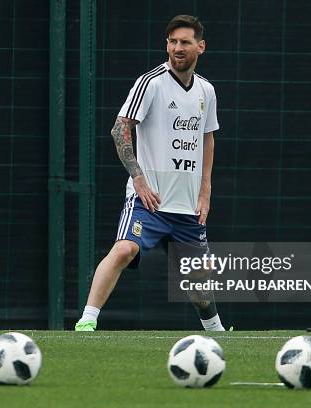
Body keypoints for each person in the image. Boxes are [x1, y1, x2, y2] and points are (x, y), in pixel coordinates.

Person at [75, 15, 224, 332]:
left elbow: (207, 137)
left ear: (201, 46)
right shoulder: (152, 82)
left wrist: (205, 190)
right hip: (149, 201)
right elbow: (120, 129)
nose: (177, 48)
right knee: (125, 249)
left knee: (199, 283)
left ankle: (216, 332)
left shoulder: (206, 91)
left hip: (187, 206)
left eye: (185, 42)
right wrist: (138, 179)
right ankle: (87, 321)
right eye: (172, 42)